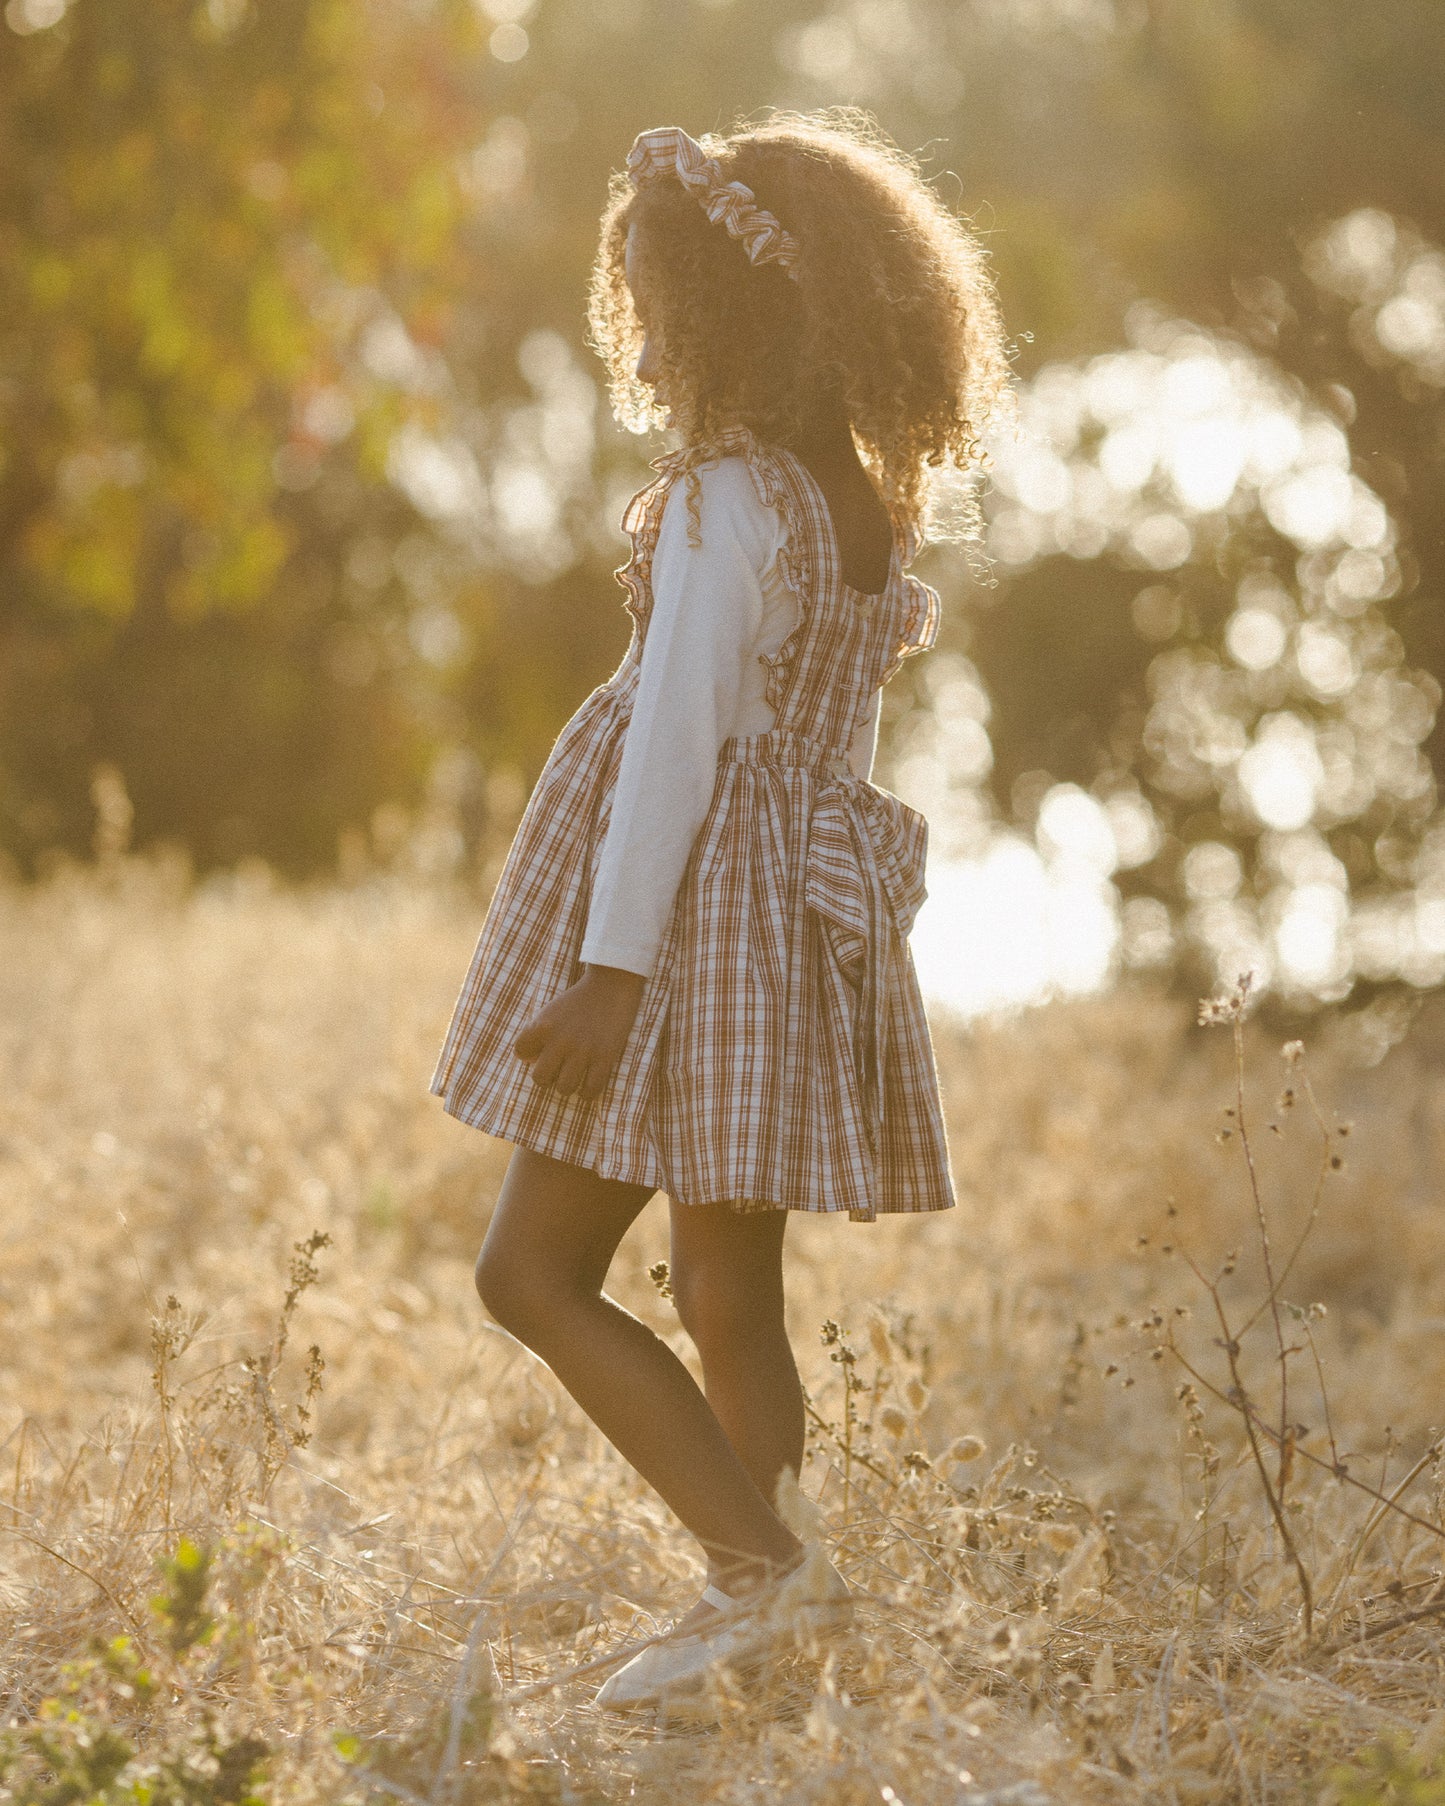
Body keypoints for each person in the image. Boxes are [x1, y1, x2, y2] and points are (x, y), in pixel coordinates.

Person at [430, 112, 1013, 1708]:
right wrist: (833, 924)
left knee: (525, 1276)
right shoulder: (860, 509)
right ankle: (773, 1618)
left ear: (717, 318)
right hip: (778, 917)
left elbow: (677, 741)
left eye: (655, 303)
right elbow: (831, 755)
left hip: (674, 920)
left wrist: (613, 973)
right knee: (725, 1295)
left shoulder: (722, 502)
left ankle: (760, 1575)